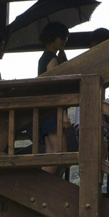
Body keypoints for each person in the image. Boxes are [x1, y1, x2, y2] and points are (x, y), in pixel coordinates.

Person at [37, 27, 71, 155]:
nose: (65, 40)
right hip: (53, 111)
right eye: (62, 37)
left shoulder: (44, 58)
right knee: (60, 152)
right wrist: (62, 113)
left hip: (46, 110)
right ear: (53, 39)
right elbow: (54, 87)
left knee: (52, 154)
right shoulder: (52, 59)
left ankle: (44, 176)